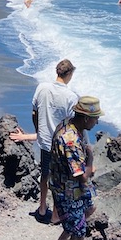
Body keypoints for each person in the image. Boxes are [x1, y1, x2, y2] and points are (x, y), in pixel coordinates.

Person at [44, 95, 103, 240]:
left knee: (90, 209)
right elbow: (82, 175)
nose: (97, 122)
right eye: (96, 118)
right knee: (78, 234)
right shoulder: (70, 140)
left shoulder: (68, 124)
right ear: (86, 118)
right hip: (68, 190)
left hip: (71, 185)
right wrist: (91, 159)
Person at [29, 59, 79, 223]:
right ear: (70, 74)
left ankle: (42, 209)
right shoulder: (71, 97)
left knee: (45, 175)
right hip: (61, 145)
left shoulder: (42, 88)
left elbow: (34, 112)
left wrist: (38, 131)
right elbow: (72, 125)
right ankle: (56, 216)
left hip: (45, 141)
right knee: (59, 181)